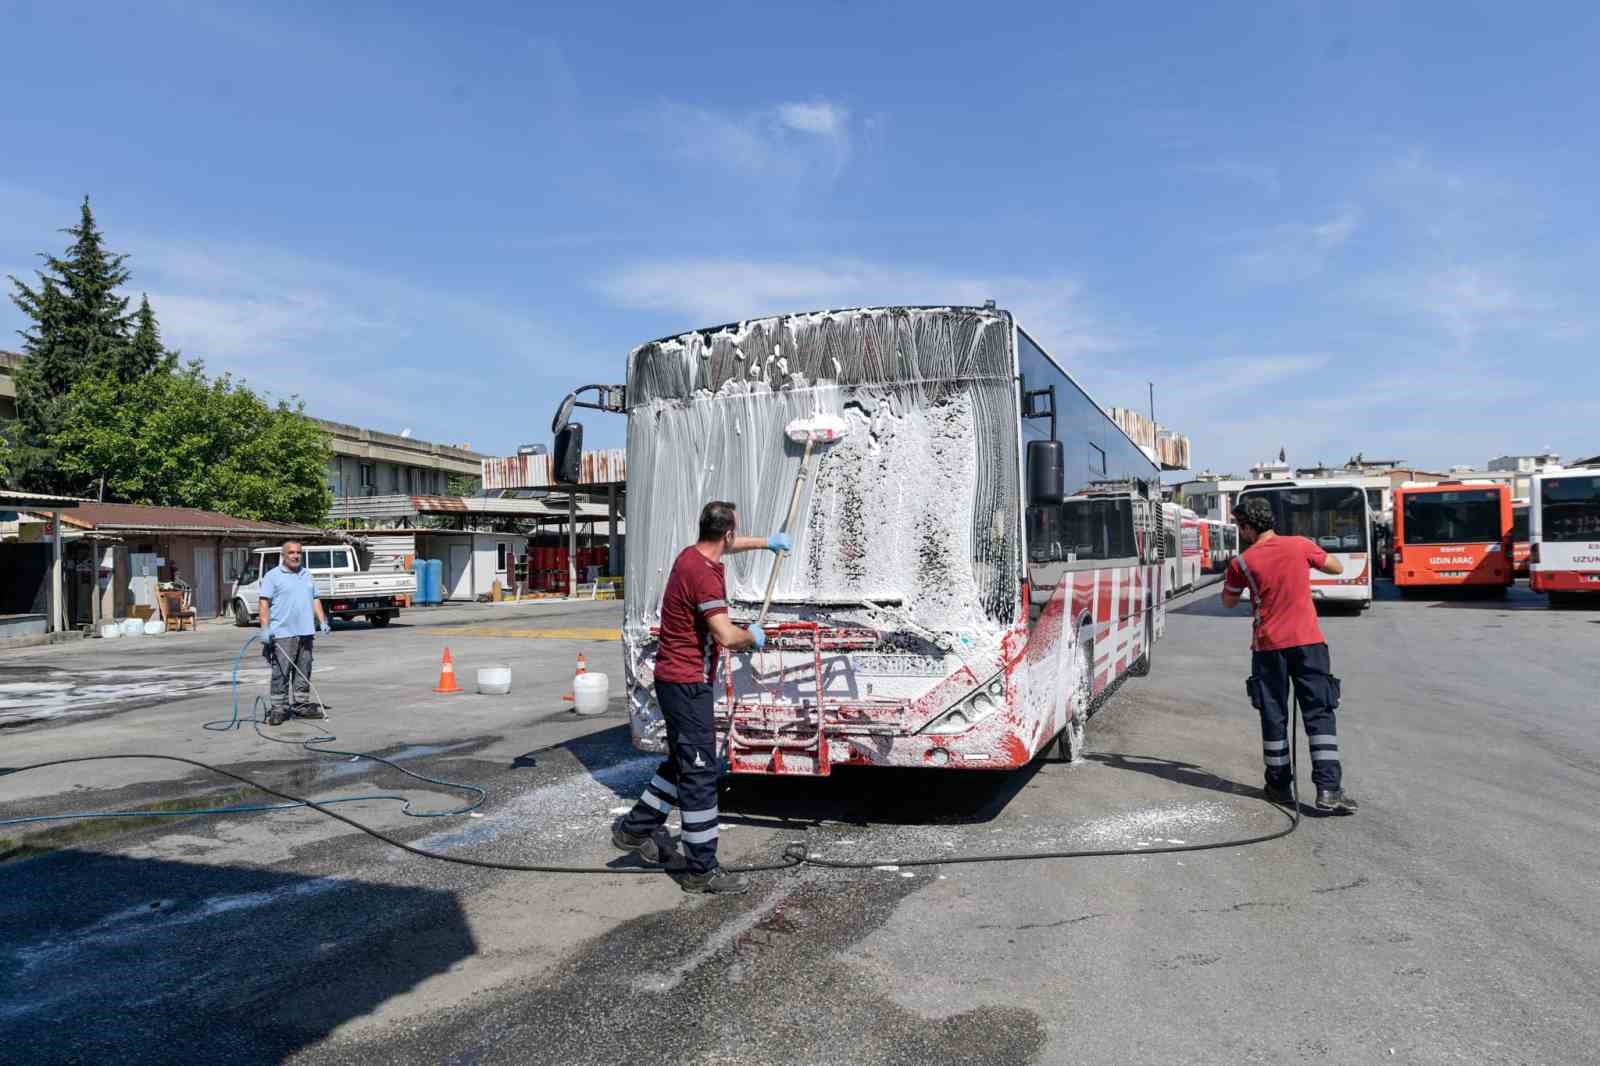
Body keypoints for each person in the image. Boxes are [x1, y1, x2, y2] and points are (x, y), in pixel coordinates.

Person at [612, 501, 792, 894]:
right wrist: (752, 636)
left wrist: (768, 543)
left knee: (681, 762)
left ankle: (633, 830)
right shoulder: (705, 576)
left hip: (675, 679)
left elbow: (730, 543)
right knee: (699, 775)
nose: (734, 541)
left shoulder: (691, 555)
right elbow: (726, 636)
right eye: (734, 535)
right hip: (687, 683)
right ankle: (701, 869)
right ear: (725, 534)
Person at [1220, 498, 1358, 814]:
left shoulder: (1242, 562)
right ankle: (1328, 790)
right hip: (1309, 643)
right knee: (1319, 712)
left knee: (1273, 716)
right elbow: (1335, 567)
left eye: (1241, 527)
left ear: (1247, 526)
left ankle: (1279, 787)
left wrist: (1237, 584)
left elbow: (1228, 602)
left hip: (1268, 647)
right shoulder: (1299, 545)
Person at [258, 540, 331, 726]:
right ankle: (278, 709)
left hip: (306, 632)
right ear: (283, 555)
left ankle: (301, 706)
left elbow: (315, 598)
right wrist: (265, 629)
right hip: (282, 633)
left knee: (304, 669)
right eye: (291, 552)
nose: (296, 555)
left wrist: (322, 621)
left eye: (298, 552)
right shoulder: (272, 576)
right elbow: (264, 603)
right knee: (281, 672)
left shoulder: (307, 574)